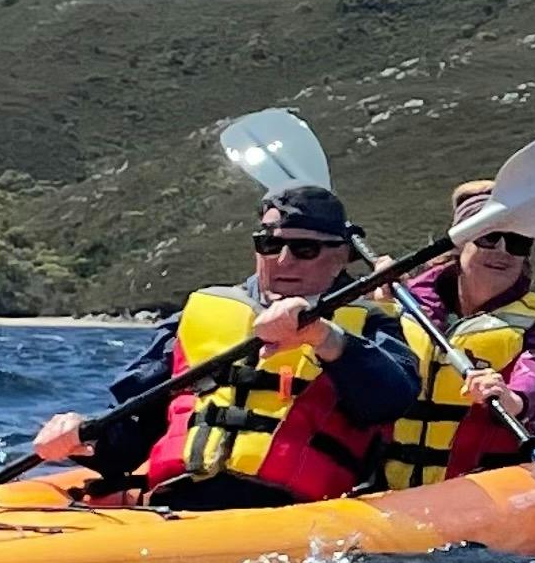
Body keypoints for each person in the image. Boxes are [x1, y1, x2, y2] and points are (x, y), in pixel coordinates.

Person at [28, 184, 417, 509]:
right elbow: (134, 433)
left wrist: (323, 338)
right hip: (177, 505)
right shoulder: (199, 315)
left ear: (340, 258)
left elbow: (391, 399)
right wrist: (84, 438)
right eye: (269, 244)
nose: (283, 260)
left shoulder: (369, 323)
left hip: (295, 515)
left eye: (304, 250)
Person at [380, 180, 535, 488]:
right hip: (384, 481)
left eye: (517, 243)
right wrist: (375, 306)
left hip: (480, 485)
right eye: (489, 238)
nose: (503, 251)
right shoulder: (400, 301)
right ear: (461, 243)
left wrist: (514, 400)